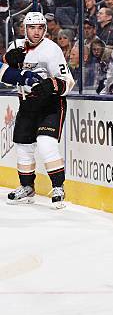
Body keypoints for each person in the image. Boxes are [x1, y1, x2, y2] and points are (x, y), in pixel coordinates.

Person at [4, 12, 75, 208]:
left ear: (45, 29)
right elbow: (2, 73)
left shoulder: (51, 50)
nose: (36, 32)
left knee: (46, 144)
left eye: (40, 28)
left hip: (50, 104)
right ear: (24, 29)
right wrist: (11, 64)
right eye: (32, 27)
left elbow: (67, 81)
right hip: (27, 104)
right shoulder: (16, 47)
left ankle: (58, 187)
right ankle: (27, 188)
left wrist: (51, 85)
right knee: (23, 147)